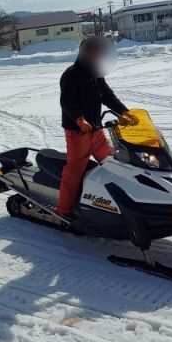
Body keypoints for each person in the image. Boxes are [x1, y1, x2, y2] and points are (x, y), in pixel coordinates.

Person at [56, 36, 130, 218]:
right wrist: (79, 119)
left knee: (113, 163)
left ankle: (114, 204)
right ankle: (64, 210)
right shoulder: (71, 74)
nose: (97, 55)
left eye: (99, 52)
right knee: (74, 172)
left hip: (96, 131)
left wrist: (124, 112)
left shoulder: (96, 74)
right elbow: (66, 101)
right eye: (93, 52)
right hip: (78, 133)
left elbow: (108, 96)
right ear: (84, 53)